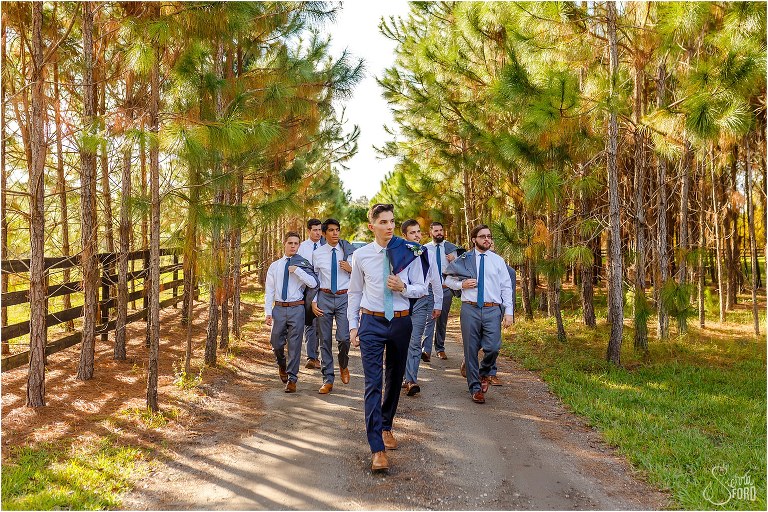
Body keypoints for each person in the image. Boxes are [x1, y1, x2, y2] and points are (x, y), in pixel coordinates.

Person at [348, 203, 428, 472]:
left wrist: (403, 286)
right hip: (371, 321)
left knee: (394, 379)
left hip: (401, 320)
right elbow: (354, 293)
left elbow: (422, 288)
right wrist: (352, 326)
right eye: (383, 222)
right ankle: (377, 449)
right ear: (372, 226)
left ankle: (386, 426)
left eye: (392, 221)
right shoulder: (361, 256)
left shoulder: (410, 252)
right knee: (373, 383)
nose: (390, 226)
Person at [444, 225, 513, 404]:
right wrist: (462, 285)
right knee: (470, 348)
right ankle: (475, 388)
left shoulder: (498, 261)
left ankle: (484, 372)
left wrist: (509, 312)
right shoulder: (464, 259)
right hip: (470, 308)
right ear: (474, 239)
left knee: (493, 347)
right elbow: (448, 279)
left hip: (492, 309)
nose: (487, 239)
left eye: (489, 236)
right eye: (482, 236)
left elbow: (506, 286)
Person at [265, 231, 319, 393]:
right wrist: (268, 312)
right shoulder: (275, 266)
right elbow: (269, 290)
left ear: (299, 245)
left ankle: (292, 379)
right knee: (276, 342)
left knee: (295, 345)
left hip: (297, 308)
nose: (293, 246)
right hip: (279, 309)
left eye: (296, 243)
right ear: (285, 244)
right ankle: (282, 365)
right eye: (290, 243)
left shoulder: (303, 264)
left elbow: (313, 283)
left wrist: (297, 271)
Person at [311, 218, 354, 394]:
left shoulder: (348, 252)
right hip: (324, 297)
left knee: (344, 338)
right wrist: (313, 301)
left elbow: (359, 276)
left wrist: (350, 268)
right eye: (331, 230)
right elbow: (314, 280)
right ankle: (328, 379)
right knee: (325, 340)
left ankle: (343, 364)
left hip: (344, 298)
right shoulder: (318, 254)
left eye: (337, 230)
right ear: (323, 233)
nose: (335, 233)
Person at [400, 219, 442, 396]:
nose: (417, 235)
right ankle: (400, 376)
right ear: (405, 235)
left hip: (421, 301)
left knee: (415, 341)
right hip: (400, 301)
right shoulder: (397, 252)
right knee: (399, 342)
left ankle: (411, 380)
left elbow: (436, 280)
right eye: (412, 232)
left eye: (418, 232)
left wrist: (438, 303)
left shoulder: (428, 254)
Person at [422, 222, 459, 361]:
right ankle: (426, 350)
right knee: (429, 319)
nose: (439, 233)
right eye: (436, 230)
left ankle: (440, 348)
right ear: (431, 232)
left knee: (442, 320)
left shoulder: (451, 249)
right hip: (430, 290)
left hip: (445, 289)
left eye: (441, 230)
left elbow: (459, 270)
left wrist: (454, 261)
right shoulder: (425, 249)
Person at [298, 219, 324, 370]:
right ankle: (311, 357)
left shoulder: (326, 246)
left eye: (320, 230)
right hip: (308, 290)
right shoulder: (302, 248)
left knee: (320, 324)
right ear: (309, 231)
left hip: (323, 290)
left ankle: (317, 356)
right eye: (315, 230)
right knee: (309, 323)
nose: (318, 233)